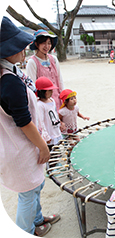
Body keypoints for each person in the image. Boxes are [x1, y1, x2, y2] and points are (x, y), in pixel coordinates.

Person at [0, 16, 60, 236]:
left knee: (36, 186)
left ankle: (37, 219)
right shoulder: (8, 81)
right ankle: (25, 230)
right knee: (28, 192)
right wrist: (43, 146)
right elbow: (23, 122)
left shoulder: (11, 71)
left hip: (23, 145)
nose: (23, 48)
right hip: (22, 147)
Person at [26, 29, 64, 110]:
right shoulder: (32, 62)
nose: (47, 46)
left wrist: (64, 97)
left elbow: (59, 79)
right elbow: (31, 86)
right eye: (43, 43)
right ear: (36, 44)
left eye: (49, 43)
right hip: (43, 104)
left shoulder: (53, 59)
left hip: (58, 100)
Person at [35, 76, 62, 150]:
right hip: (50, 135)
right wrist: (46, 136)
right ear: (42, 92)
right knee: (52, 153)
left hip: (56, 131)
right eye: (49, 90)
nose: (52, 92)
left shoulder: (52, 100)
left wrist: (60, 124)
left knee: (58, 151)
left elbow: (55, 114)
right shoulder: (40, 105)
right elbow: (41, 122)